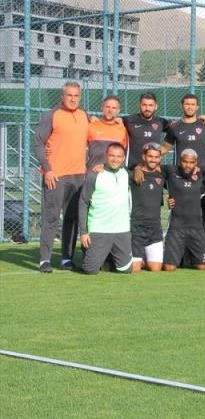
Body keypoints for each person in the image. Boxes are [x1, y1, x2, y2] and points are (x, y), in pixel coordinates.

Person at [34, 81, 89, 273]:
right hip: (55, 176)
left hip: (79, 176)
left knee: (72, 219)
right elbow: (38, 143)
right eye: (69, 95)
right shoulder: (51, 115)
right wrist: (47, 169)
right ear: (62, 97)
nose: (73, 99)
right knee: (50, 218)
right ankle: (45, 260)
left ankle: (66, 259)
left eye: (76, 96)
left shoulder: (84, 115)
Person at [77, 142, 133, 275]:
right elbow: (83, 202)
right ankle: (92, 253)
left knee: (126, 270)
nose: (115, 159)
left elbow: (143, 171)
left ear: (123, 158)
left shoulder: (126, 174)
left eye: (119, 156)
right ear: (106, 156)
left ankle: (106, 257)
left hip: (122, 230)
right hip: (99, 230)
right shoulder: (94, 175)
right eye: (112, 156)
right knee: (90, 270)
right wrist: (83, 232)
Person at [162, 149, 205, 271]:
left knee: (202, 267)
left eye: (191, 162)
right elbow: (152, 168)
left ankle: (187, 258)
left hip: (196, 228)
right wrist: (138, 168)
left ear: (196, 163)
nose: (188, 165)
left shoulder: (202, 175)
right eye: (185, 161)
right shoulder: (170, 171)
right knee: (169, 268)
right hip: (176, 227)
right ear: (179, 161)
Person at [129, 143, 167, 272]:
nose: (153, 160)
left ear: (160, 158)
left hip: (155, 228)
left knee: (156, 269)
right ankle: (138, 258)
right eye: (150, 156)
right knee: (135, 269)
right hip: (136, 227)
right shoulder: (133, 175)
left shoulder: (162, 176)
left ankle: (144, 257)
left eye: (156, 157)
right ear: (143, 157)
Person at [123, 92, 170, 170]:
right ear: (139, 105)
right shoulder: (128, 120)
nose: (147, 108)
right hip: (131, 169)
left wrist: (165, 149)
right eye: (144, 105)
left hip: (152, 169)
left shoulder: (161, 122)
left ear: (156, 106)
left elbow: (177, 130)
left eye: (150, 105)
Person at [162, 93, 205, 169]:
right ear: (181, 106)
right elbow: (165, 148)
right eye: (187, 104)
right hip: (179, 171)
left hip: (200, 172)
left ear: (197, 107)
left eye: (193, 104)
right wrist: (147, 155)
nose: (190, 107)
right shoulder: (174, 127)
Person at [87, 95, 128, 170]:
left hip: (114, 173)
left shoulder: (122, 129)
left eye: (114, 108)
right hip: (93, 172)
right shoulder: (91, 125)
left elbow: (123, 154)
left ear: (118, 110)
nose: (110, 110)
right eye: (107, 107)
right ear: (102, 108)